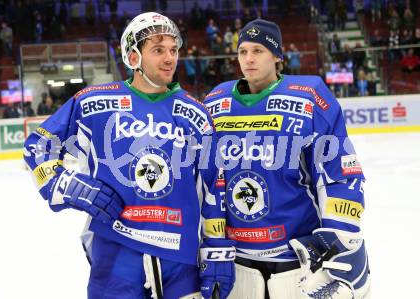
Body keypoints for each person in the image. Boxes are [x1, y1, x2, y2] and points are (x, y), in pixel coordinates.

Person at [24, 12, 235, 299]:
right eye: (158, 50)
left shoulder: (195, 114)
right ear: (133, 57)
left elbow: (214, 184)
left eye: (173, 50)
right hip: (116, 250)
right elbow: (39, 146)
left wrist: (216, 247)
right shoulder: (94, 103)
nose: (170, 58)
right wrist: (69, 185)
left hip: (180, 257)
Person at [204, 19, 371, 299]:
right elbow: (208, 179)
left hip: (298, 262)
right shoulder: (216, 101)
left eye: (258, 51)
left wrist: (339, 240)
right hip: (237, 263)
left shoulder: (309, 99)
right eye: (243, 51)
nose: (248, 59)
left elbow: (340, 173)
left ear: (277, 56)